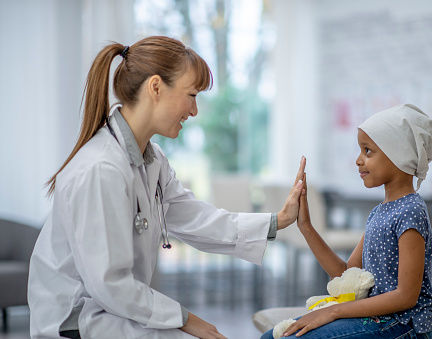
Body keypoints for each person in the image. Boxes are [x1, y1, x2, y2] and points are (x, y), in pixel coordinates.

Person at [28, 36, 306, 339]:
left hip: (112, 308)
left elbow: (196, 220)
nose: (195, 110)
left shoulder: (152, 159)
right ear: (156, 87)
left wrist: (278, 220)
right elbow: (110, 283)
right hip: (78, 319)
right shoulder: (101, 169)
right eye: (192, 95)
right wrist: (185, 319)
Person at [261, 103, 432, 339]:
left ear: (398, 154)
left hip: (403, 325)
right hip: (377, 320)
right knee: (271, 337)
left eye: (367, 151)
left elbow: (406, 297)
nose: (359, 160)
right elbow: (345, 272)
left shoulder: (411, 210)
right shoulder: (379, 212)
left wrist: (334, 312)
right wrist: (305, 226)